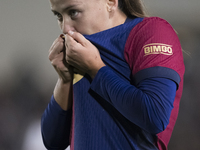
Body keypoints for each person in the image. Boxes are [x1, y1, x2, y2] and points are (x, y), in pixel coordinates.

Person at [41, 0, 185, 149]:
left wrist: (96, 69)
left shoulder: (151, 31)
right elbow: (53, 142)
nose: (65, 28)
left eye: (73, 12)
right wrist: (64, 80)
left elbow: (155, 115)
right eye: (59, 16)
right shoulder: (80, 53)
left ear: (110, 2)